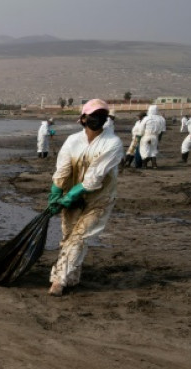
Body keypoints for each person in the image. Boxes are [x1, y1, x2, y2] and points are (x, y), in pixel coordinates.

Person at [46, 99, 124, 296]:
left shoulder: (112, 143)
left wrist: (72, 194)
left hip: (99, 199)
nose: (96, 119)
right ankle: (72, 278)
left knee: (79, 237)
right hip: (73, 198)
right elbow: (63, 169)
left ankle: (58, 281)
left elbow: (95, 176)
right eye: (92, 115)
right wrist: (56, 192)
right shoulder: (73, 141)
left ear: (106, 119)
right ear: (82, 118)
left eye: (101, 116)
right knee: (68, 237)